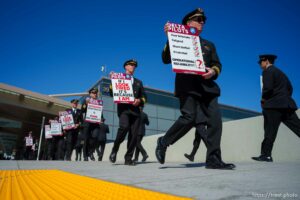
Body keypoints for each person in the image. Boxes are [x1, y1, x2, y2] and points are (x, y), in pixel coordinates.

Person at [155, 8, 235, 169]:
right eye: (198, 19)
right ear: (188, 23)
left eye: (203, 20)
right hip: (187, 85)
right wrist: (169, 38)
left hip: (207, 87)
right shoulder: (178, 38)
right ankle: (163, 142)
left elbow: (217, 64)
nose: (202, 22)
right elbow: (165, 59)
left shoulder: (209, 45)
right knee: (189, 117)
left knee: (215, 121)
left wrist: (213, 71)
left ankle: (213, 160)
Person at [252, 54, 300, 162]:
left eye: (261, 62)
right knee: (298, 127)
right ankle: (266, 155)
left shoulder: (267, 72)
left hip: (273, 106)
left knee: (269, 131)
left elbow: (267, 88)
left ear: (267, 61)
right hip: (287, 105)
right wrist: (283, 97)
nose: (260, 64)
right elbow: (290, 88)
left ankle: (266, 155)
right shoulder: (281, 73)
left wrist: (263, 99)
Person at [109, 59, 147, 166]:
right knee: (124, 127)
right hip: (124, 110)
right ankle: (114, 149)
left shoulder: (139, 82)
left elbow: (144, 97)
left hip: (135, 111)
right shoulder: (118, 78)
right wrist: (112, 81)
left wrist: (139, 100)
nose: (133, 67)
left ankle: (128, 158)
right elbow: (112, 93)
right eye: (130, 65)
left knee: (134, 135)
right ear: (125, 67)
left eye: (134, 66)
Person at [81, 87, 102, 161]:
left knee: (95, 137)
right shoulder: (86, 100)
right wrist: (86, 104)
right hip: (87, 122)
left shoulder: (99, 102)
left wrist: (101, 119)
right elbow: (82, 110)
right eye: (93, 93)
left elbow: (100, 112)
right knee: (86, 139)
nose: (95, 94)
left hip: (95, 123)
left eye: (96, 93)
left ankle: (90, 152)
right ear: (90, 94)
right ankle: (85, 155)